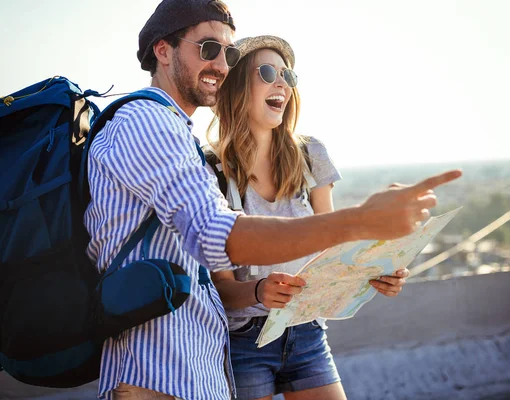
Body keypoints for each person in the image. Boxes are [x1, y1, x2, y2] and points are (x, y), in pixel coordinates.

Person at [84, 0, 461, 399]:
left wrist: (370, 265)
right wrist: (360, 220)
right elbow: (217, 237)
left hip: (198, 364)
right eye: (208, 48)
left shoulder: (179, 134)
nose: (221, 64)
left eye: (228, 53)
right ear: (163, 50)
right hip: (159, 371)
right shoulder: (150, 122)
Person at [206, 35, 410, 400]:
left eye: (287, 75)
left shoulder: (310, 155)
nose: (282, 83)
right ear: (237, 87)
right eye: (267, 73)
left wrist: (375, 270)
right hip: (243, 343)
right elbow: (218, 288)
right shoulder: (211, 171)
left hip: (308, 331)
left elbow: (333, 246)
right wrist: (257, 291)